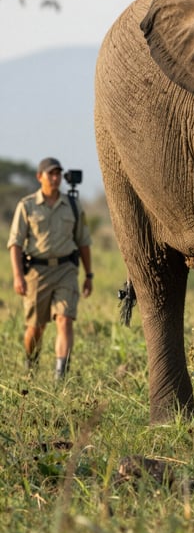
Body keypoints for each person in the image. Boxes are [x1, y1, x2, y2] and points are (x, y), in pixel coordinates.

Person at [7, 157, 93, 379]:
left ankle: (60, 379)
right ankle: (31, 365)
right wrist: (18, 276)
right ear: (40, 177)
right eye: (50, 174)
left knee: (64, 320)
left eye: (58, 174)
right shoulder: (27, 205)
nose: (55, 178)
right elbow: (15, 244)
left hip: (66, 270)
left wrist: (89, 275)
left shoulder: (72, 205)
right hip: (37, 272)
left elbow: (83, 242)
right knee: (36, 327)